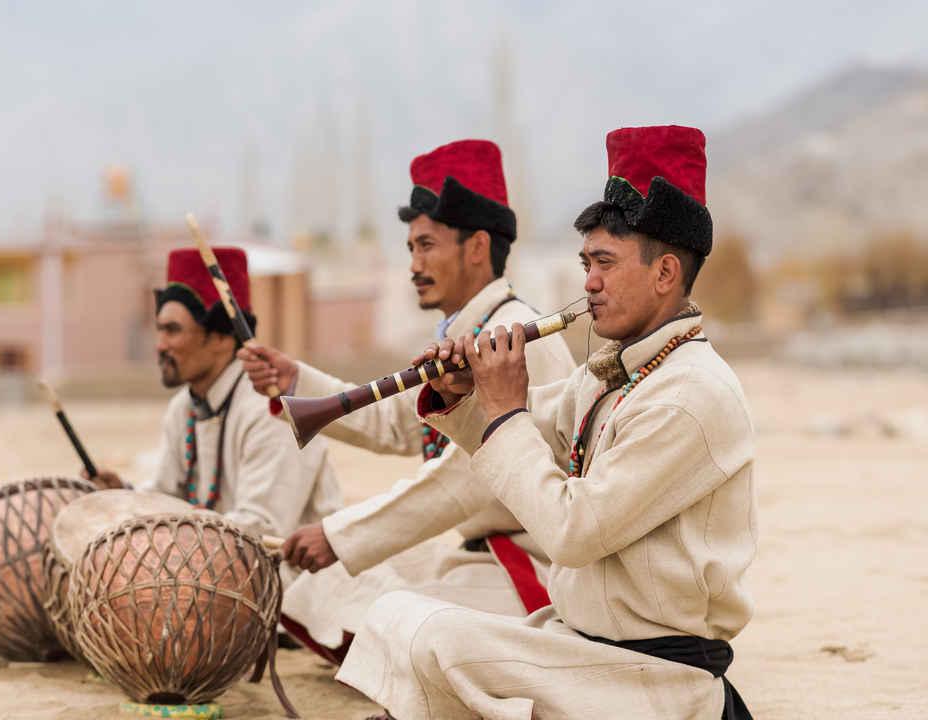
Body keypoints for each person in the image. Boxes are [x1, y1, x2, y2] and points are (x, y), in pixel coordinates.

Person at [336, 125, 756, 719]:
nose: (588, 283)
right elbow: (531, 432)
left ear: (665, 274)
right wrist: (462, 396)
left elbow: (572, 531)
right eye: (586, 262)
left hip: (653, 678)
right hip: (580, 647)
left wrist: (504, 407)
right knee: (397, 619)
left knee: (431, 636)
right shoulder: (610, 372)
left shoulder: (689, 395)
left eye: (605, 263)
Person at [237, 139, 576, 663]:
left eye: (426, 245)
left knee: (390, 620)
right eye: (411, 249)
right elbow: (402, 421)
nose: (414, 264)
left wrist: (342, 536)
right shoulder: (469, 331)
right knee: (315, 593)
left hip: (531, 567)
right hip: (479, 559)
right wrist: (295, 380)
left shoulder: (514, 336)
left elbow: (469, 480)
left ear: (478, 247)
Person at [93, 246, 342, 541]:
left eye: (173, 330)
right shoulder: (183, 407)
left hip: (301, 583)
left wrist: (169, 524)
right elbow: (167, 498)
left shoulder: (272, 410)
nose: (160, 345)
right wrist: (124, 497)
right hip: (219, 573)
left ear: (222, 338)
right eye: (159, 329)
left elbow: (262, 529)